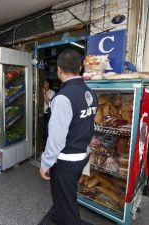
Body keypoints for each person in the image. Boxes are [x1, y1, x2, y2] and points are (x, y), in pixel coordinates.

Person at [39, 49, 98, 225]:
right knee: (66, 195)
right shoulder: (91, 93)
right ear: (80, 67)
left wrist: (45, 163)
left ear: (58, 70)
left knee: (66, 208)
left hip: (65, 160)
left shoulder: (62, 98)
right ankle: (59, 213)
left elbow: (56, 139)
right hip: (82, 156)